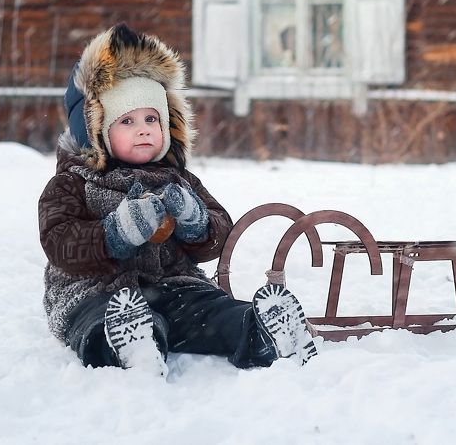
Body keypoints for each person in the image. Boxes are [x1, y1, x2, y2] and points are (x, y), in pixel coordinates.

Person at [38, 23, 317, 375]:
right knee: (101, 320)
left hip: (174, 288)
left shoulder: (178, 180)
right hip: (95, 292)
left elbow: (219, 232)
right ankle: (129, 344)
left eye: (152, 118)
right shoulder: (71, 184)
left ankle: (260, 330)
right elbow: (59, 242)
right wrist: (115, 233)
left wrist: (195, 222)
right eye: (126, 120)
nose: (143, 129)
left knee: (211, 311)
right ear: (94, 131)